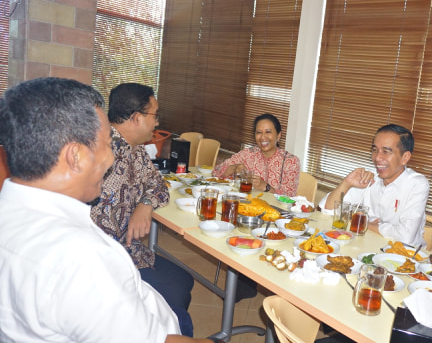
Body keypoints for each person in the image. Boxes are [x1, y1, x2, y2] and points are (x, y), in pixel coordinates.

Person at [0, 77, 212, 342]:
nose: (112, 156)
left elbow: (157, 185)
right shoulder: (83, 259)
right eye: (107, 145)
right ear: (74, 156)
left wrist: (144, 205)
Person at [90, 83, 195, 336]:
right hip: (107, 262)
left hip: (131, 251)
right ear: (136, 118)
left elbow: (158, 185)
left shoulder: (134, 149)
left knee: (184, 280)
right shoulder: (104, 152)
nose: (157, 123)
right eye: (154, 115)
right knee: (176, 298)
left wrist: (144, 205)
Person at [319, 124, 430, 246]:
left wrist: (366, 224)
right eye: (375, 150)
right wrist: (347, 183)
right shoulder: (370, 178)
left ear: (405, 157)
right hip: (368, 245)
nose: (377, 157)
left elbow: (405, 236)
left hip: (403, 255)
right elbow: (327, 210)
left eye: (386, 151)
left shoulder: (417, 184)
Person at [214, 113, 300, 196]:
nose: (263, 137)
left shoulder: (290, 161)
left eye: (268, 132)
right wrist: (234, 168)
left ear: (278, 135)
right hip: (246, 204)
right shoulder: (247, 154)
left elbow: (290, 198)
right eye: (259, 132)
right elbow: (215, 172)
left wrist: (266, 187)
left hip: (273, 209)